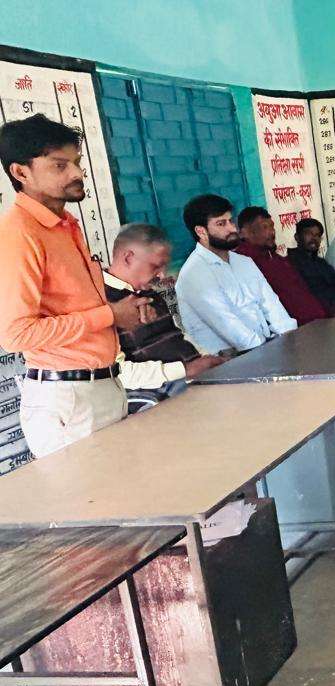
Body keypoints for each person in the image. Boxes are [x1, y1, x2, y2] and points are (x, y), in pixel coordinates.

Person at [0, 115, 146, 457]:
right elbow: (16, 334)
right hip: (67, 400)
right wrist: (108, 316)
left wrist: (118, 315)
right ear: (21, 173)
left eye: (77, 162)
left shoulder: (66, 225)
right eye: (60, 165)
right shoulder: (19, 234)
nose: (77, 173)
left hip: (102, 386)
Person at [103, 223, 223, 390]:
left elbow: (177, 334)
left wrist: (207, 358)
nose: (162, 275)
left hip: (192, 376)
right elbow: (118, 375)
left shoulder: (149, 290)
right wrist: (185, 370)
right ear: (128, 258)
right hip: (158, 391)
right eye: (155, 266)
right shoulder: (100, 301)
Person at [175, 194, 297, 355]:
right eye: (221, 224)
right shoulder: (194, 274)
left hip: (266, 348)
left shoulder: (243, 262)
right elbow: (231, 328)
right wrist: (270, 350)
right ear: (201, 231)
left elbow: (271, 304)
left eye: (230, 221)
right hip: (227, 360)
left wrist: (290, 337)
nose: (232, 229)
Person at [233, 206, 330, 325]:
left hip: (318, 322)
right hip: (294, 330)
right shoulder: (243, 262)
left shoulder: (275, 258)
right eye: (264, 227)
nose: (272, 232)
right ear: (244, 233)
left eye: (272, 226)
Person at [287, 218, 335, 317]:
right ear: (297, 237)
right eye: (309, 234)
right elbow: (307, 298)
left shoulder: (322, 263)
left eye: (317, 235)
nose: (314, 238)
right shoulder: (290, 264)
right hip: (321, 316)